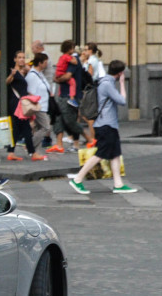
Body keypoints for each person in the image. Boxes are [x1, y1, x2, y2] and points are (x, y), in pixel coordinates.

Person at [69, 60, 135, 194]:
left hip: (109, 124)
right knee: (101, 154)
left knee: (115, 154)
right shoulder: (107, 84)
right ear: (120, 73)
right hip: (105, 125)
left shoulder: (105, 81)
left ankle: (118, 184)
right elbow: (122, 101)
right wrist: (122, 84)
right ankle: (77, 179)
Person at [6, 50, 41, 161]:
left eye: (23, 57)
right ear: (15, 59)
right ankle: (32, 153)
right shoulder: (15, 71)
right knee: (25, 128)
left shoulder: (22, 71)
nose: (22, 59)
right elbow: (7, 82)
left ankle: (11, 152)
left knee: (17, 129)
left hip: (19, 104)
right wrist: (12, 75)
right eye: (19, 57)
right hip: (17, 104)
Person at [26, 52, 59, 153]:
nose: (46, 64)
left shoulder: (40, 74)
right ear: (40, 63)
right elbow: (30, 91)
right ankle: (30, 146)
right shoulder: (32, 75)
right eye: (45, 62)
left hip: (43, 105)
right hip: (38, 106)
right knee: (46, 127)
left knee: (37, 128)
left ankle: (34, 149)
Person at [53, 41, 84, 149]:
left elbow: (67, 76)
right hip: (64, 93)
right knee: (60, 119)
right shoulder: (68, 58)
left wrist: (57, 79)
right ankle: (59, 144)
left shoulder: (72, 60)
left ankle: (80, 141)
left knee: (70, 119)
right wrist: (58, 79)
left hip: (71, 94)